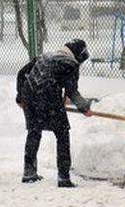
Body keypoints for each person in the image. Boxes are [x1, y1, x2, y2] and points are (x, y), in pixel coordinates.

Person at [16, 39, 93, 187]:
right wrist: (84, 108)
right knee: (62, 134)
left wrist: (20, 98)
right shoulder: (70, 64)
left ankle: (29, 172)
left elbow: (22, 74)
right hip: (48, 98)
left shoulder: (44, 56)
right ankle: (63, 178)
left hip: (30, 97)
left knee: (34, 131)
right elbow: (71, 90)